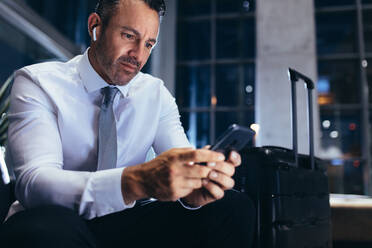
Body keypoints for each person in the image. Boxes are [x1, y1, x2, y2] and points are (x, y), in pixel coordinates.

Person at [0, 0, 256, 247]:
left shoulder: (155, 93)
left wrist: (195, 191)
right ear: (95, 27)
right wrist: (134, 182)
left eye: (148, 44)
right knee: (47, 228)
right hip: (54, 220)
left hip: (124, 224)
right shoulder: (38, 83)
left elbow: (180, 159)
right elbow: (35, 184)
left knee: (231, 208)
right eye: (129, 36)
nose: (138, 55)